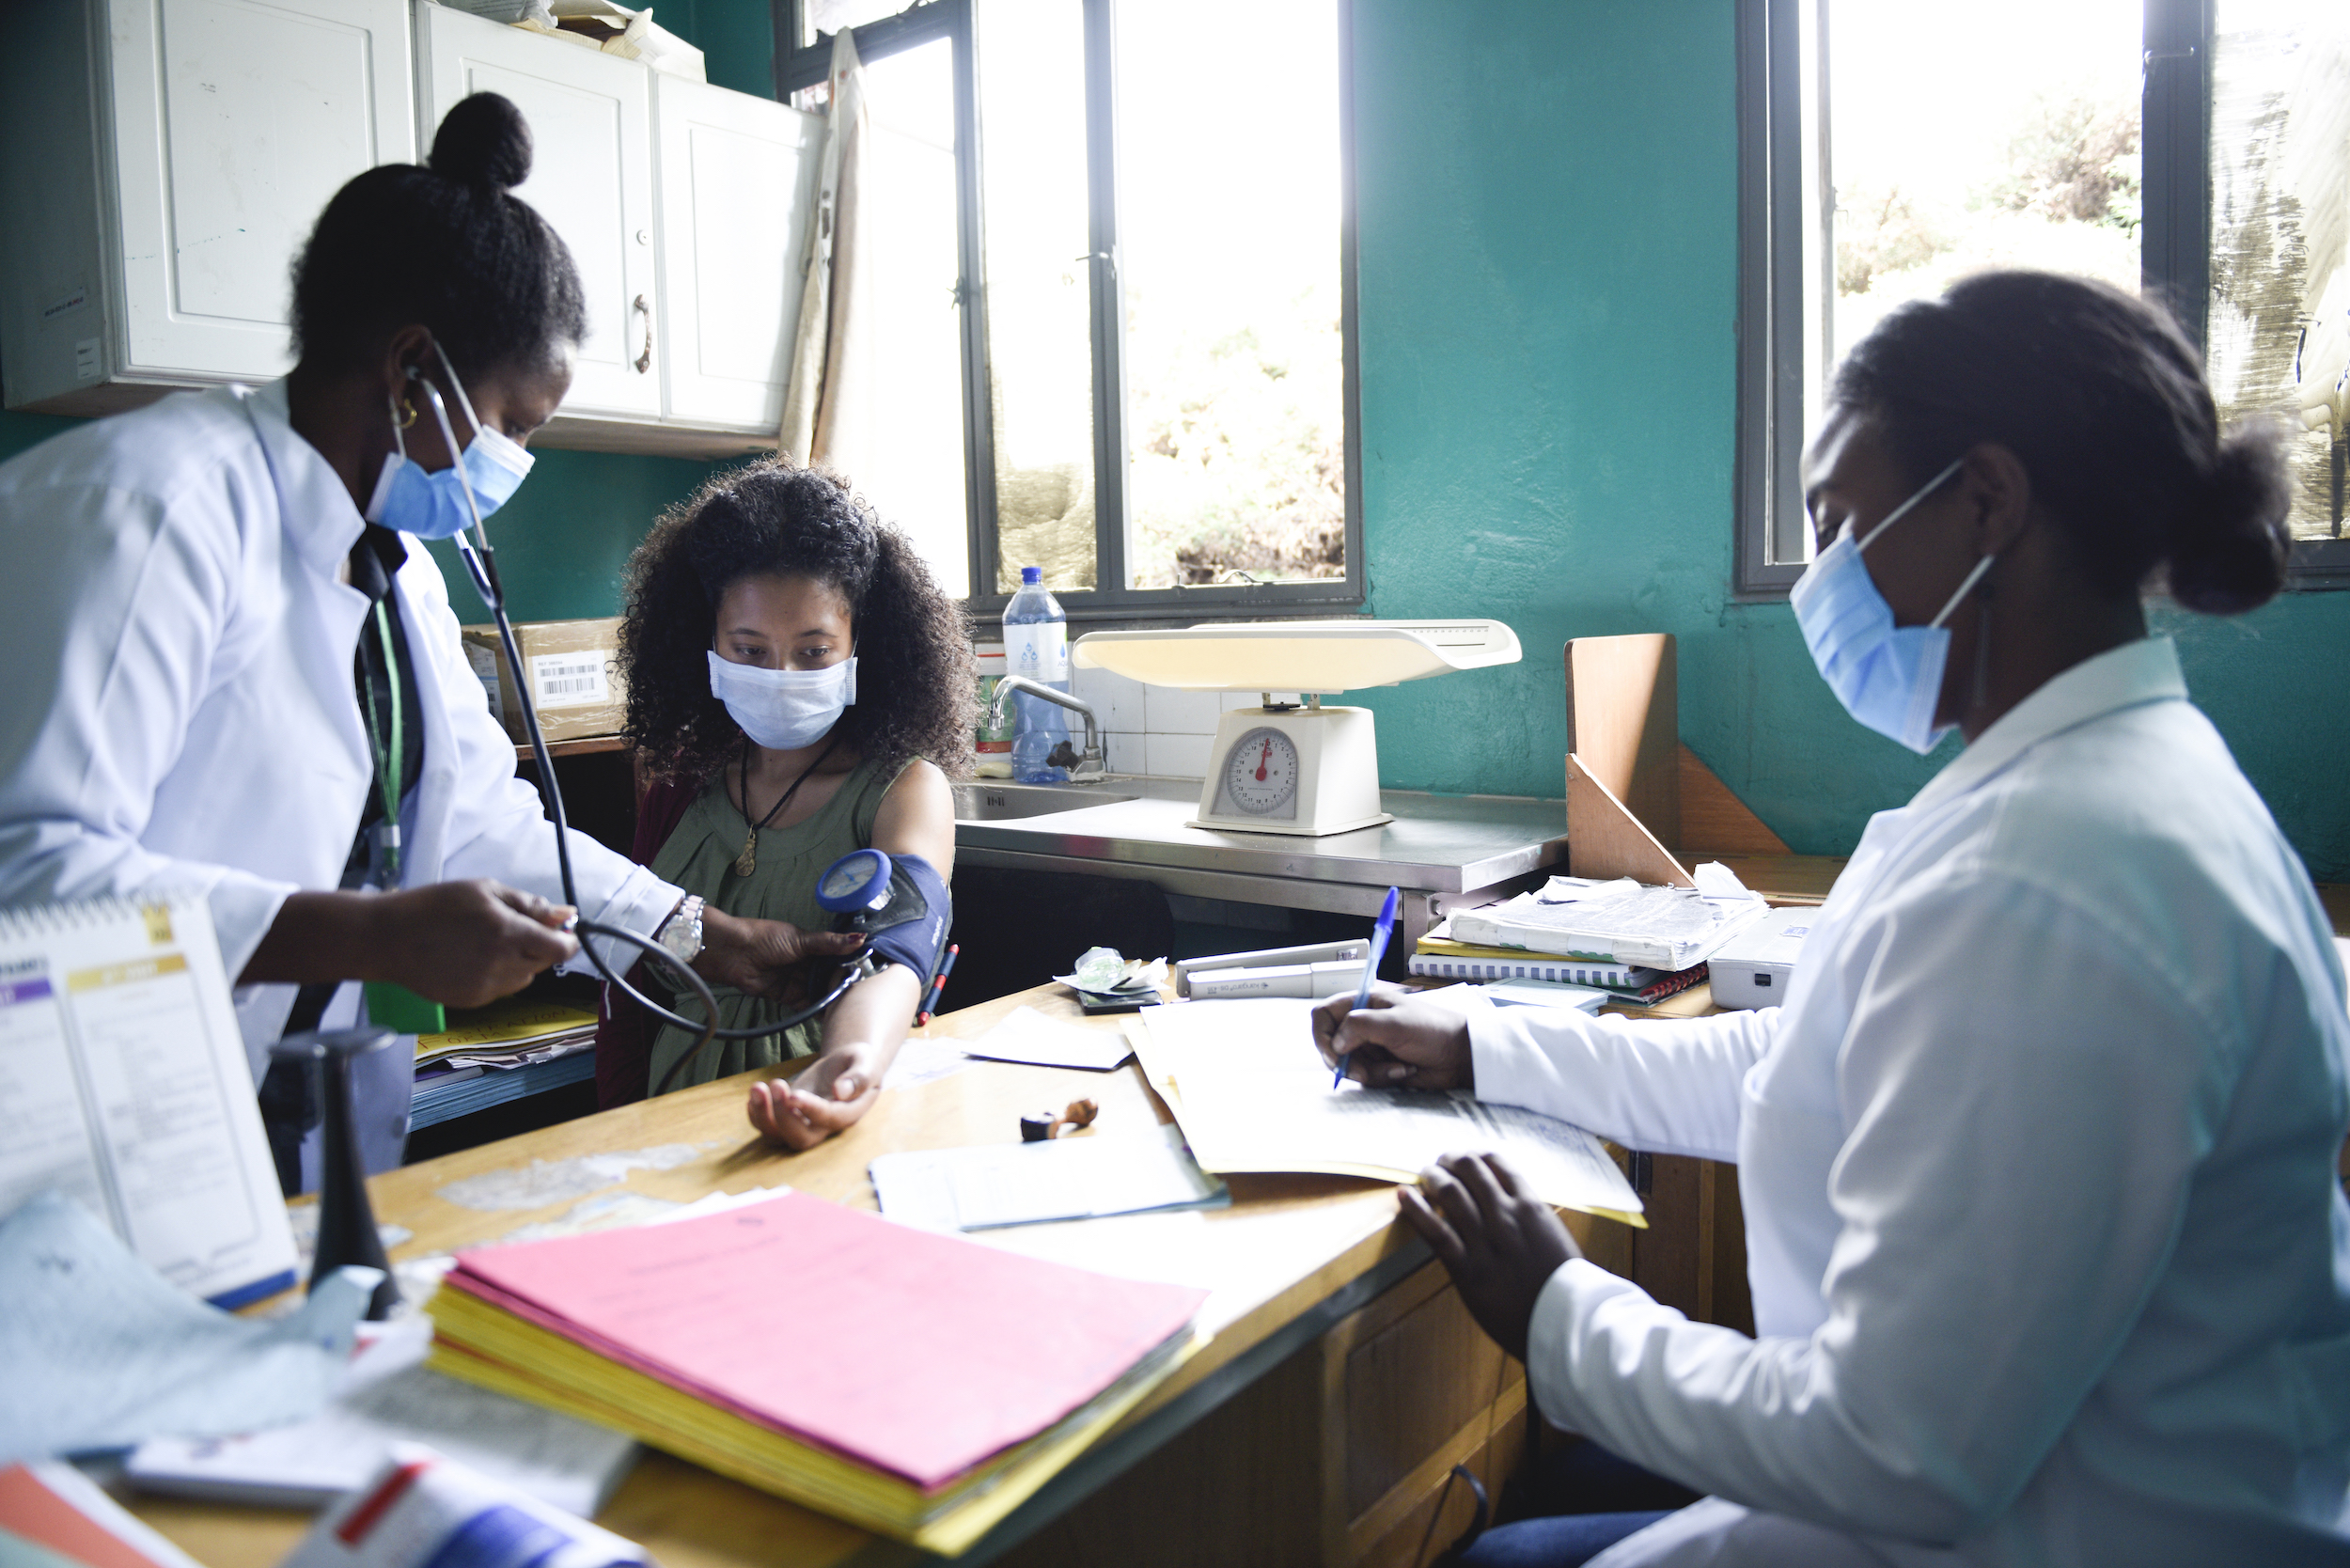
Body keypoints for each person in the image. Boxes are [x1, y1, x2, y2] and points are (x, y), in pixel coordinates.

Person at [1317, 271, 2350, 1566]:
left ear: (1987, 499)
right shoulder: (2088, 791)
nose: (1822, 584)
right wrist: (1488, 1045)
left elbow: (1898, 1454)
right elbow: (1809, 1065)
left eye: (1839, 523)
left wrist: (1558, 1307)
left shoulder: (2054, 876)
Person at [0, 94, 828, 1188]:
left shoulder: (398, 572)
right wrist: (370, 939)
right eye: (515, 424)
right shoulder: (147, 509)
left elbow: (486, 830)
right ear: (409, 371)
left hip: (280, 1126)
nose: (515, 461)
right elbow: (33, 878)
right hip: (74, 1138)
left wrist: (706, 936)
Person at [595, 460, 968, 1151]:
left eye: (814, 651)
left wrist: (848, 1064)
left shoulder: (906, 789)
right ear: (705, 643)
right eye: (750, 649)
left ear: (864, 647)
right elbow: (631, 972)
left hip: (827, 1115)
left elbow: (901, 945)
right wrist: (614, 1124)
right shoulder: (679, 781)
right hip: (667, 1125)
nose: (781, 677)